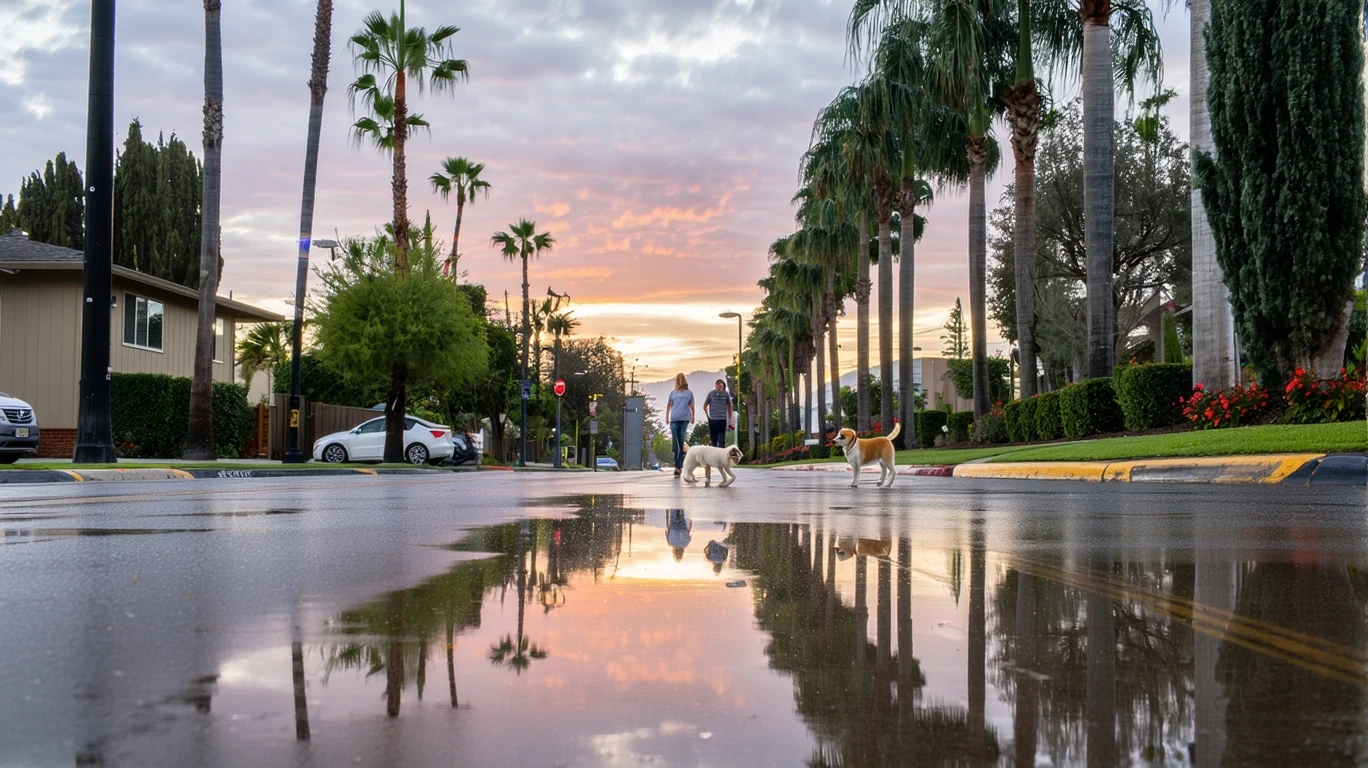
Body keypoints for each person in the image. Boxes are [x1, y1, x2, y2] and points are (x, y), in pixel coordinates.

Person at [666, 373, 695, 477]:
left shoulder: (689, 393)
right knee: (675, 445)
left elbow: (692, 406)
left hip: (684, 419)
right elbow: (668, 405)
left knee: (680, 441)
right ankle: (682, 455)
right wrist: (666, 417)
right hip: (674, 419)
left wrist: (693, 417)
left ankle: (678, 467)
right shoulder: (673, 394)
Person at [702, 379, 733, 448]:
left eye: (720, 386)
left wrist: (730, 418)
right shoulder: (711, 394)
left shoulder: (726, 394)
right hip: (713, 420)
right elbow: (705, 406)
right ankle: (715, 457)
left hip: (722, 420)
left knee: (721, 441)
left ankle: (721, 456)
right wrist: (708, 417)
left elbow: (730, 406)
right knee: (714, 441)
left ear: (723, 386)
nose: (719, 387)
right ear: (715, 386)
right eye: (717, 385)